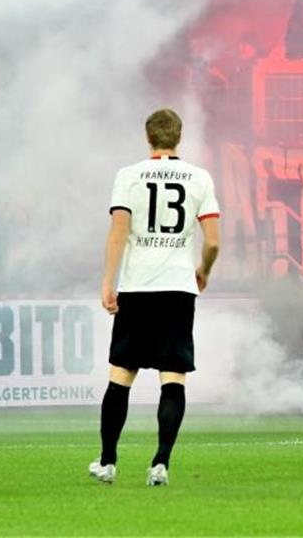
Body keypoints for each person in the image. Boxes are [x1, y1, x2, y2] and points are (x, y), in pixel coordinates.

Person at [89, 108, 221, 486]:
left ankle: (108, 461)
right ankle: (161, 463)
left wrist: (107, 281)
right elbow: (212, 241)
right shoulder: (199, 178)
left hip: (137, 286)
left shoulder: (128, 176)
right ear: (178, 138)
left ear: (148, 138)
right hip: (178, 288)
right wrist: (203, 271)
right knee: (173, 378)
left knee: (121, 375)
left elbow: (118, 233)